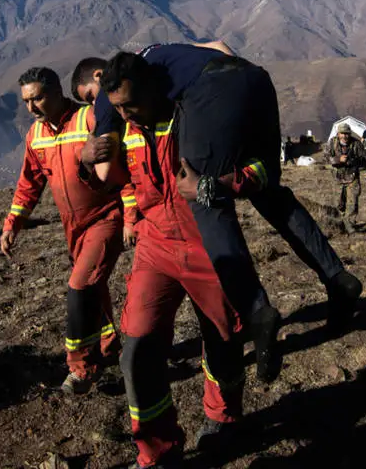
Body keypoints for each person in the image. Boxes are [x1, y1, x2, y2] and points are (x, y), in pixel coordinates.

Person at [72, 47, 363, 380]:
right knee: (268, 190)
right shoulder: (163, 54)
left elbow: (105, 172)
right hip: (253, 78)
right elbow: (222, 45)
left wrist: (87, 154)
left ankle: (257, 312)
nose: (107, 109)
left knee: (203, 197)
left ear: (98, 77)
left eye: (90, 97)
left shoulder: (111, 90)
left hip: (212, 91)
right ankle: (337, 277)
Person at [105, 52, 245, 467]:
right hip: (155, 246)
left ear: (152, 88)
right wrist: (92, 167)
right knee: (137, 346)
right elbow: (123, 179)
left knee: (222, 337)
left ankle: (223, 416)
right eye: (117, 108)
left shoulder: (196, 116)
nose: (125, 114)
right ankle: (157, 451)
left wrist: (212, 186)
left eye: (130, 104)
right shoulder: (125, 129)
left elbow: (251, 163)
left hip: (207, 243)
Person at [1, 67, 124, 395]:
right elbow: (29, 183)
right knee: (94, 287)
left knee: (80, 286)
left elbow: (121, 160)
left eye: (38, 98)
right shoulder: (35, 135)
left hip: (106, 217)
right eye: (26, 101)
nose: (32, 107)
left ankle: (81, 368)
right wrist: (13, 222)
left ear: (57, 92)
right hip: (73, 227)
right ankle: (110, 347)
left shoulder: (87, 119)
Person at [324, 123, 365, 218]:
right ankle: (340, 222)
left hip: (353, 177)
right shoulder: (332, 142)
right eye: (342, 133)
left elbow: (364, 159)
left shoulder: (356, 143)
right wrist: (338, 159)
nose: (344, 136)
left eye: (347, 133)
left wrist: (352, 161)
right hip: (337, 178)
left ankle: (350, 224)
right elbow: (325, 157)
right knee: (338, 204)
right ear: (338, 134)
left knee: (352, 204)